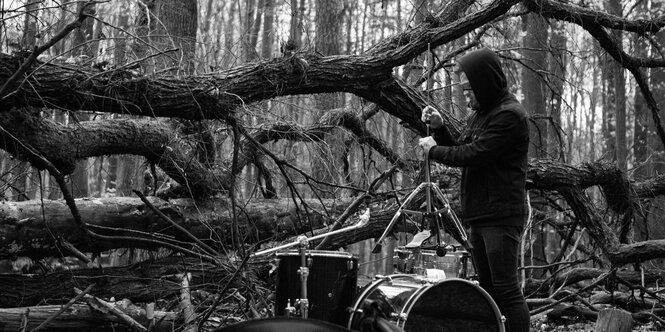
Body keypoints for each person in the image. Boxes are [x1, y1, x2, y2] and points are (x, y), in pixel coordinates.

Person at [418, 48, 531, 332]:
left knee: (506, 290)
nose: (466, 95)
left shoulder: (510, 115)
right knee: (488, 290)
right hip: (481, 215)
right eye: (464, 89)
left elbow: (476, 154)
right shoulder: (483, 113)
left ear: (483, 83)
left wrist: (434, 151)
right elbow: (462, 148)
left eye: (469, 89)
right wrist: (440, 130)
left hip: (501, 216)